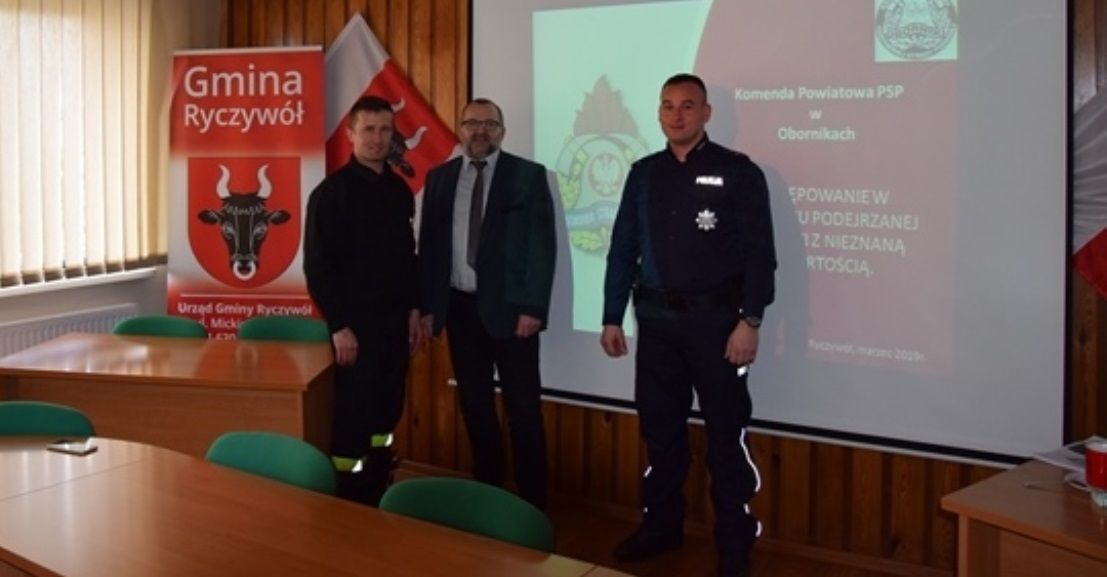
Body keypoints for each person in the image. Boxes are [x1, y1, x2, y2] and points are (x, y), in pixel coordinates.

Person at [600, 73, 776, 577]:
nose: (676, 115)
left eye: (687, 106)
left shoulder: (738, 172)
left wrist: (750, 321)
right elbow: (622, 248)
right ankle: (661, 527)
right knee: (660, 434)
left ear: (706, 113)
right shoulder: (644, 174)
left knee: (726, 437)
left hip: (718, 328)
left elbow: (760, 256)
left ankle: (734, 542)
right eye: (668, 106)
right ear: (659, 113)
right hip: (657, 326)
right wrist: (612, 315)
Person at [418, 98, 556, 509]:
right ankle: (489, 494)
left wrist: (533, 308)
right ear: (460, 129)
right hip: (459, 311)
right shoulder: (439, 178)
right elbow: (430, 248)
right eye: (471, 123)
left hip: (514, 313)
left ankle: (532, 503)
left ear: (502, 131)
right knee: (474, 405)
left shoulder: (528, 176)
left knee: (523, 410)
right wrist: (428, 306)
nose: (480, 131)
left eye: (489, 124)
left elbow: (541, 247)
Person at [303, 95, 422, 506]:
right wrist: (339, 325)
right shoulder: (330, 194)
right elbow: (317, 267)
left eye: (385, 130)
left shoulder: (399, 191)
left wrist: (413, 309)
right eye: (368, 129)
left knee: (386, 412)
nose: (377, 138)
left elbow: (407, 259)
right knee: (354, 417)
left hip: (394, 326)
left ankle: (378, 482)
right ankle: (349, 500)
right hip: (353, 330)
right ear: (351, 134)